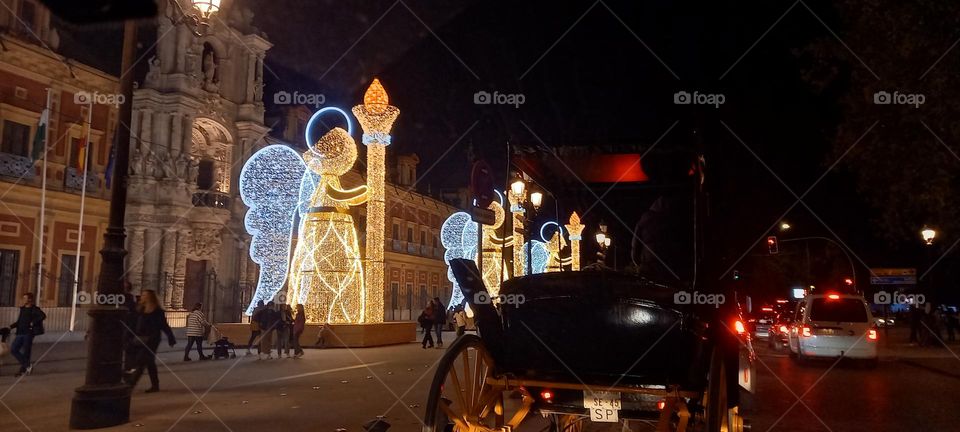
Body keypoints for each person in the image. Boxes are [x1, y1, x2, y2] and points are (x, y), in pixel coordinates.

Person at [127, 290, 176, 393]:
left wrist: (171, 337)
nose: (142, 296)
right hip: (140, 338)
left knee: (142, 361)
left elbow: (164, 325)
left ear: (150, 298)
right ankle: (155, 385)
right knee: (149, 362)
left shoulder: (157, 311)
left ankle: (130, 385)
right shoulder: (139, 309)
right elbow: (133, 324)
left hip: (152, 339)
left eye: (144, 295)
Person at [9, 293, 46, 377]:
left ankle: (23, 370)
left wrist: (33, 322)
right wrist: (10, 327)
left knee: (26, 352)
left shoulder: (34, 309)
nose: (23, 300)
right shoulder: (22, 309)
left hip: (28, 333)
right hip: (20, 333)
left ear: (29, 300)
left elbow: (43, 316)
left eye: (25, 298)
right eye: (23, 298)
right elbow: (19, 322)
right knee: (13, 349)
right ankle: (27, 366)